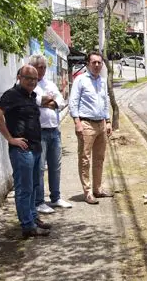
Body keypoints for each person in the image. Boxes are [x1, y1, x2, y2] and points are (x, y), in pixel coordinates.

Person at [0, 65, 52, 237]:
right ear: (19, 77)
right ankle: (27, 226)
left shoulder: (32, 96)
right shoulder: (11, 95)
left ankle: (33, 217)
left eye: (35, 79)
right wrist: (10, 138)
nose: (32, 81)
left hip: (35, 148)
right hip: (22, 151)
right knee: (24, 189)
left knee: (33, 186)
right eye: (28, 78)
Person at [29, 54, 73, 214]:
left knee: (55, 166)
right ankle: (39, 201)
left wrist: (51, 102)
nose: (42, 70)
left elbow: (61, 100)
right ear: (33, 67)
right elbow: (35, 101)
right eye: (39, 67)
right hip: (38, 132)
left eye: (44, 67)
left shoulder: (49, 83)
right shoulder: (28, 84)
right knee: (40, 168)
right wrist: (46, 100)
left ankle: (56, 197)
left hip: (54, 130)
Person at [69, 51, 114, 205]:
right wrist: (77, 122)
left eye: (99, 63)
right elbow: (73, 101)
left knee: (99, 158)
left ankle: (97, 188)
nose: (96, 65)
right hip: (86, 123)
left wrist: (108, 121)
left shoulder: (102, 81)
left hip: (101, 123)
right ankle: (87, 192)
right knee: (85, 159)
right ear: (87, 63)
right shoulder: (80, 80)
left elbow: (105, 101)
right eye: (93, 62)